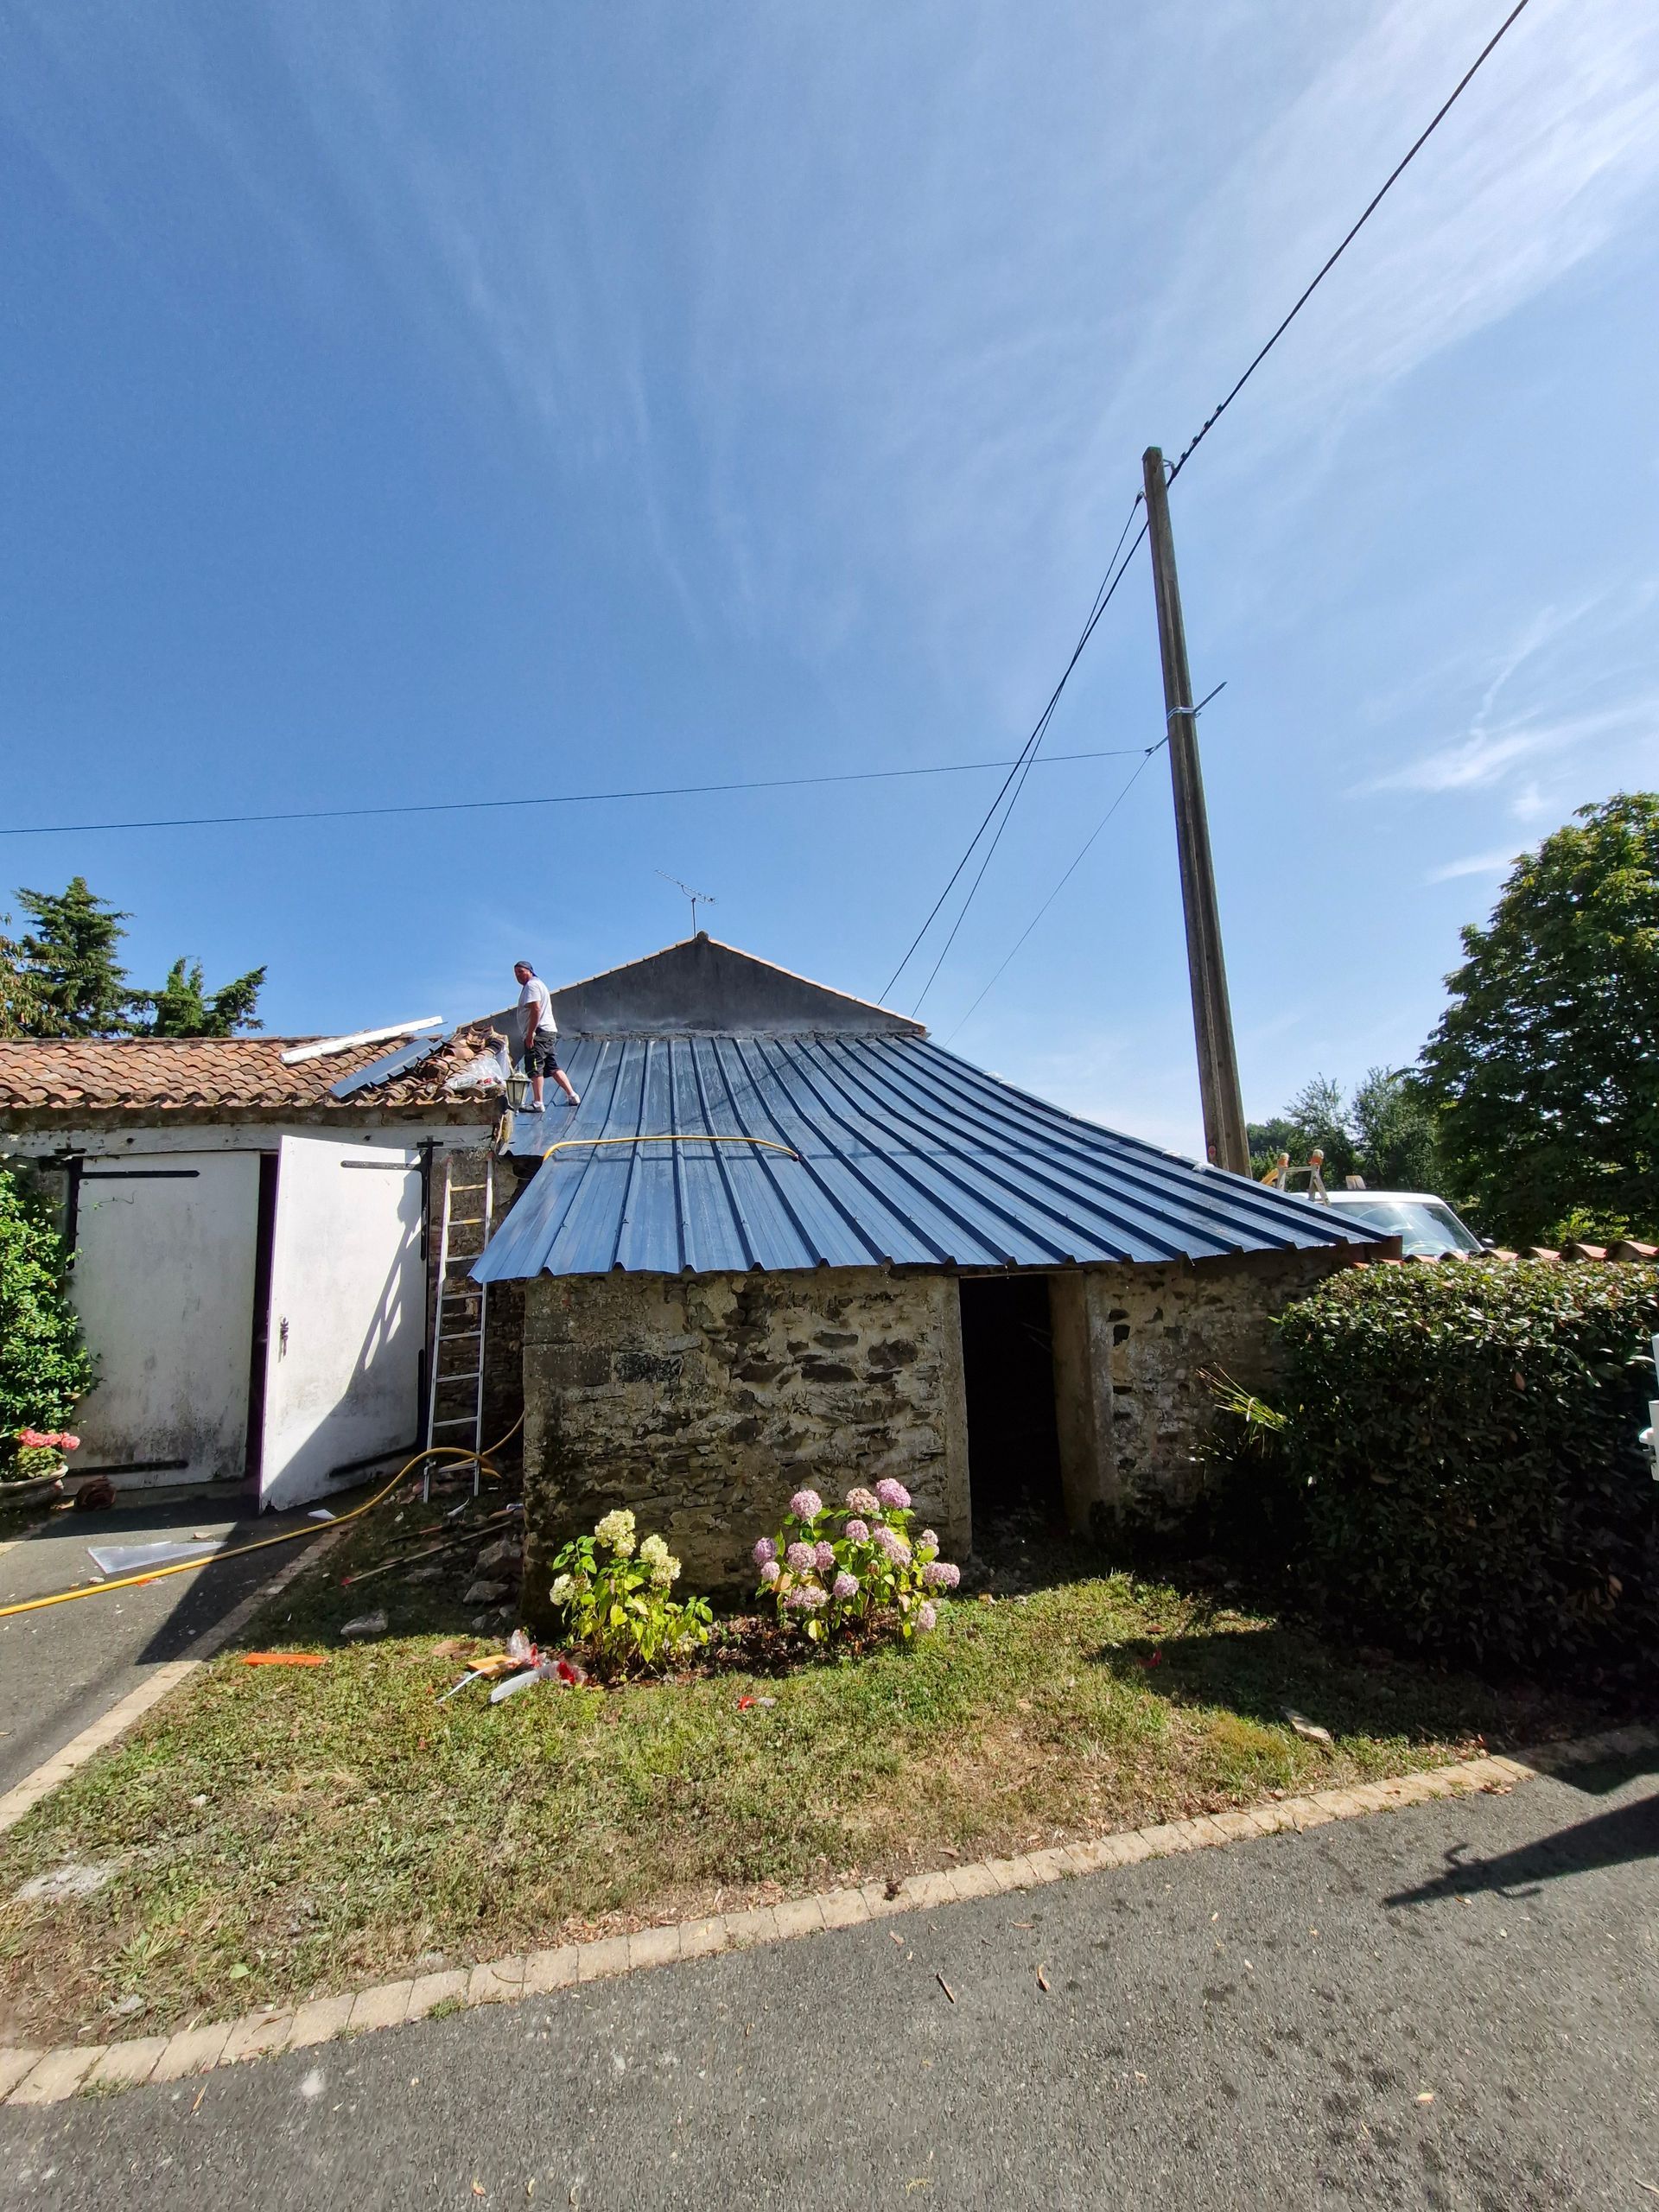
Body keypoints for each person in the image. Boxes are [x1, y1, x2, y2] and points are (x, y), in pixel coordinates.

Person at [512, 961, 579, 1113]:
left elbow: (536, 1009)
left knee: (535, 1066)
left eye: (521, 971)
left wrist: (530, 1034)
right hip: (547, 1032)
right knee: (552, 1066)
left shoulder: (532, 986)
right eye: (515, 973)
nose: (518, 975)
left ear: (530, 971)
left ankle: (538, 1103)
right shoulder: (538, 985)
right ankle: (572, 1095)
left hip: (539, 1033)